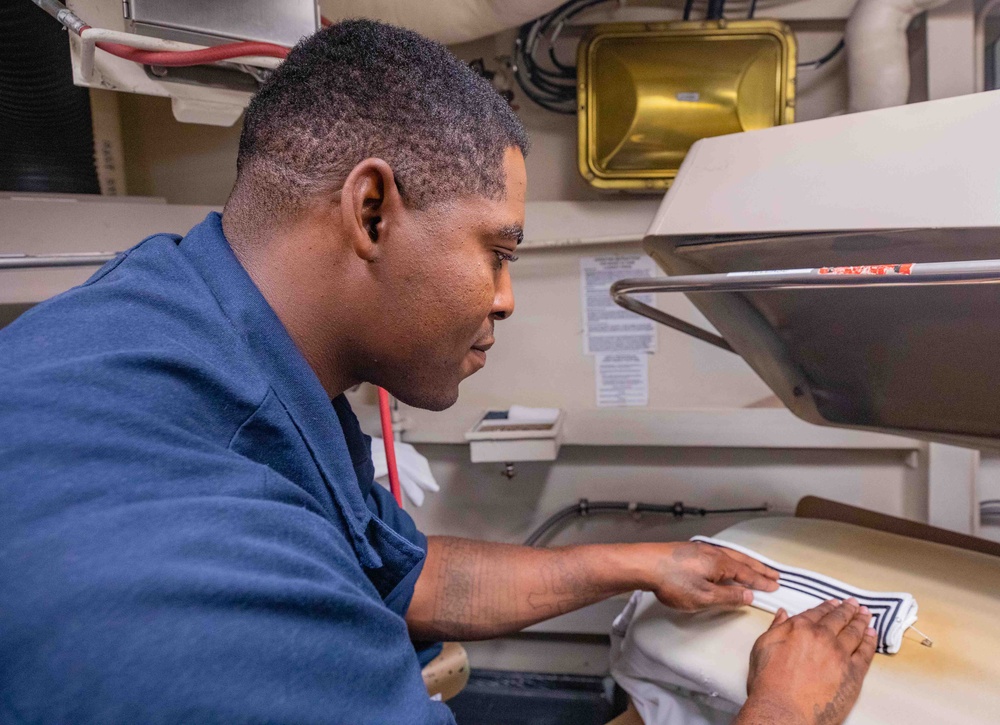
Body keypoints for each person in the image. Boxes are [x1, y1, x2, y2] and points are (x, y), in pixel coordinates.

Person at [0, 19, 876, 724]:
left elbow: (412, 576)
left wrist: (643, 561)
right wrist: (782, 710)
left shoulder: (188, 320)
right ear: (373, 209)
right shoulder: (209, 573)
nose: (505, 298)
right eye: (497, 251)